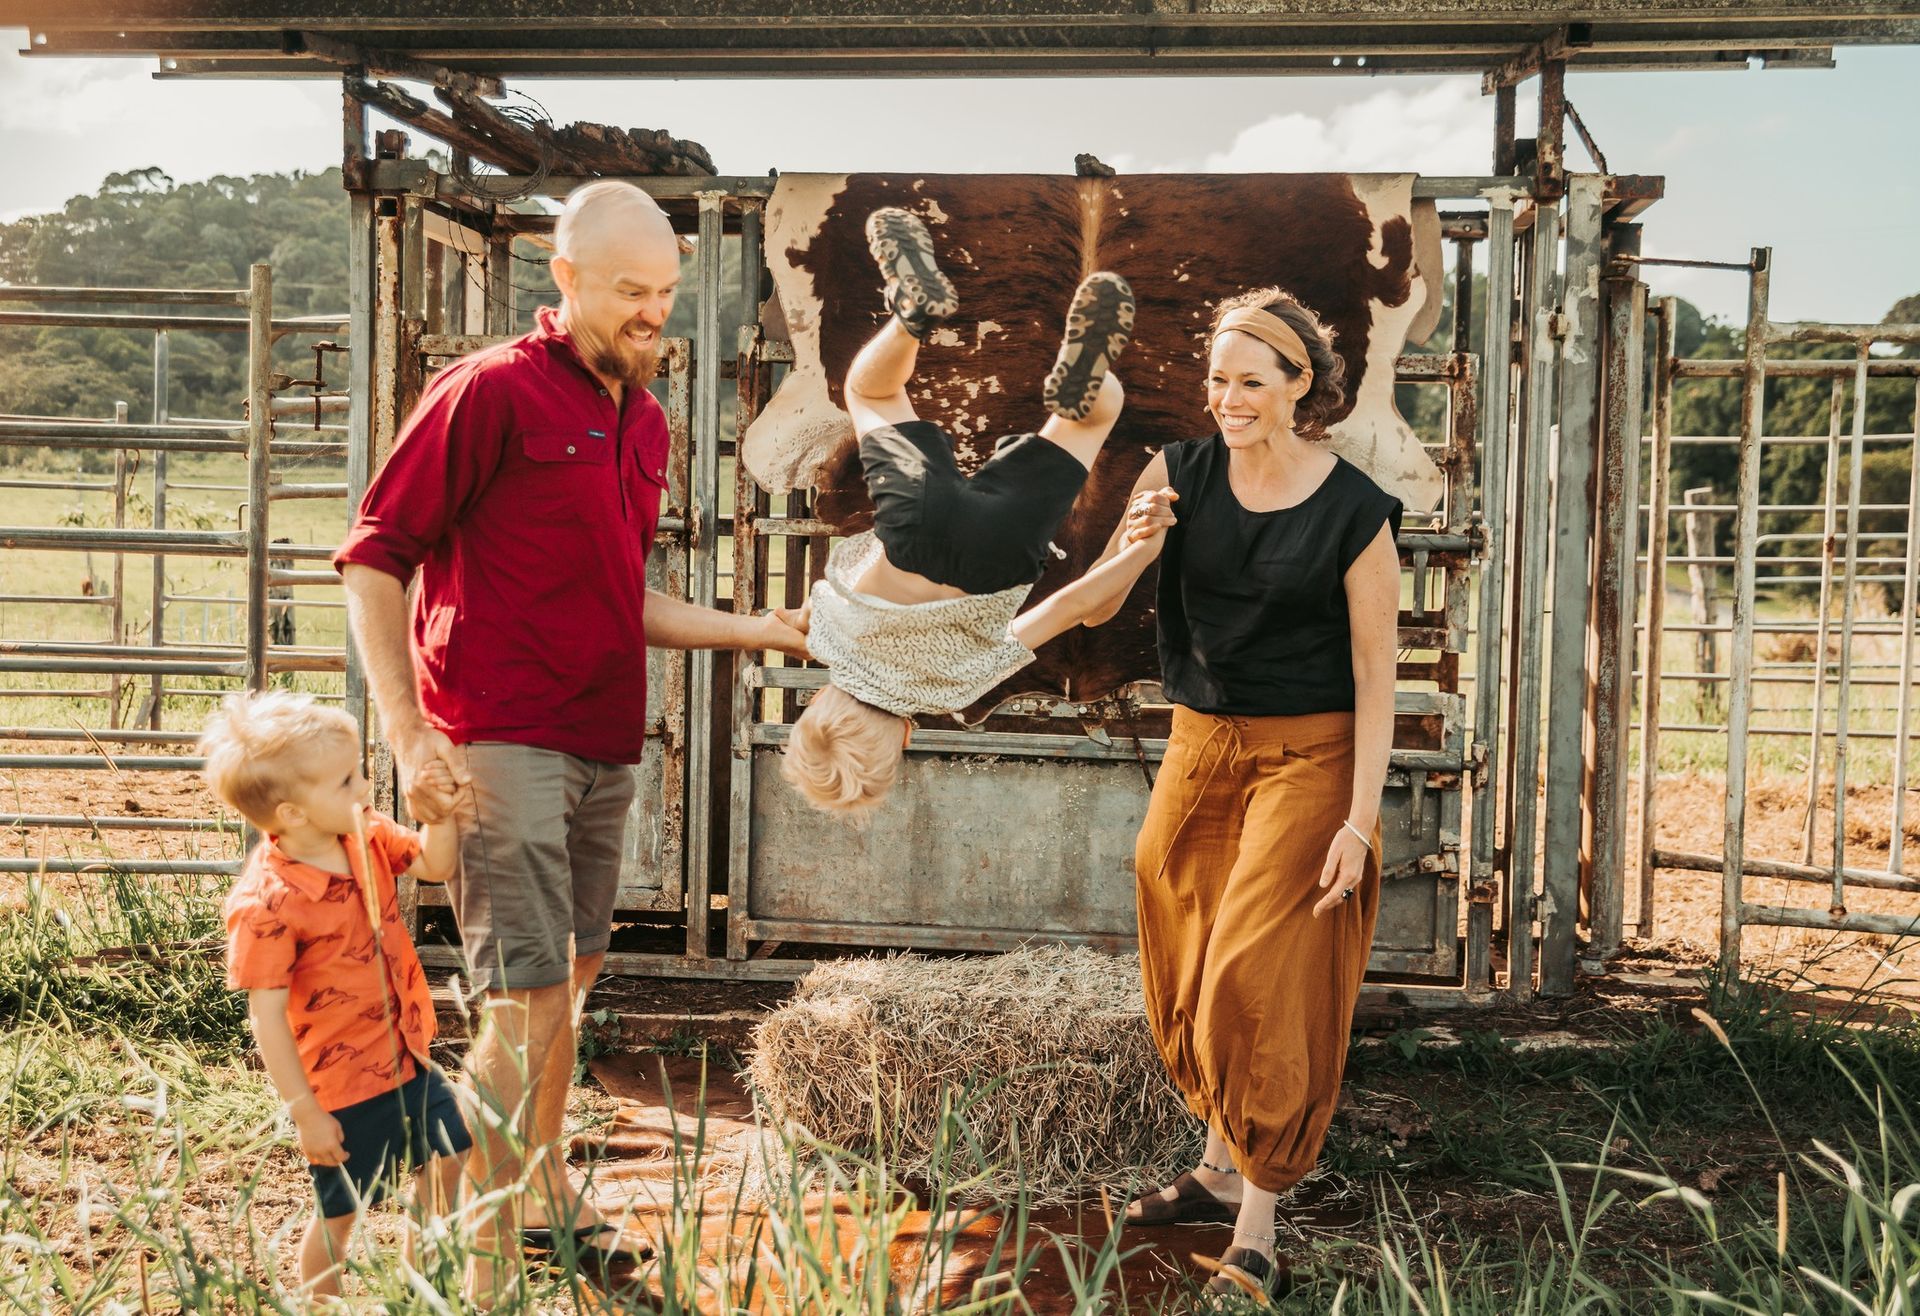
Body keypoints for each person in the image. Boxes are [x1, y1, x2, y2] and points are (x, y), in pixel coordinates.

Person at [335, 179, 806, 1296]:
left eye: (668, 293)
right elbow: (372, 555)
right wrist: (408, 731)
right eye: (631, 291)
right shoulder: (488, 391)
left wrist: (760, 627)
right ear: (568, 277)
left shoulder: (643, 418)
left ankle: (528, 1186)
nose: (654, 312)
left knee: (573, 979)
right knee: (526, 995)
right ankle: (478, 1243)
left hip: (604, 733)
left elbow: (622, 594)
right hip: (497, 730)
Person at [1091, 288, 1402, 1298]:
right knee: (1179, 926)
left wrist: (1359, 820)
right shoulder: (1177, 470)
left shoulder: (1355, 510)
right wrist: (1137, 537)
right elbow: (1105, 591)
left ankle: (1259, 1213)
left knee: (1258, 972)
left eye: (1250, 381)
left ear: (1298, 386)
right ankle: (1217, 1165)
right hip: (1203, 742)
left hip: (1311, 755)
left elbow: (1374, 676)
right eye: (1217, 378)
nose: (1226, 397)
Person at [781, 205, 1160, 820]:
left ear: (904, 738)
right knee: (869, 393)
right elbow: (809, 607)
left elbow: (1070, 606)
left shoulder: (956, 689)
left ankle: (1088, 385)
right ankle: (909, 315)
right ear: (820, 698)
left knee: (1093, 419)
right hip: (913, 528)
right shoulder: (831, 641)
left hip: (1001, 554)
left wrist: (1140, 550)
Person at [204, 690, 466, 1298]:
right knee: (343, 1212)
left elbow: (433, 864)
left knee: (450, 1156)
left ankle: (420, 1278)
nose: (367, 786)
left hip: (409, 1053)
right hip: (341, 1085)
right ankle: (320, 1301)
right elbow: (266, 1018)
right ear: (293, 813)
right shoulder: (266, 903)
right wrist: (306, 1114)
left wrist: (441, 813)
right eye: (347, 779)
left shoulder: (365, 834)